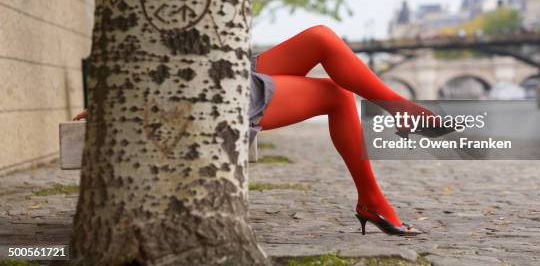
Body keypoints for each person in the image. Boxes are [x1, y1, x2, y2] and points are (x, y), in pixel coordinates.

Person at [74, 25, 440, 236]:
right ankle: (377, 185)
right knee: (337, 94)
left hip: (218, 72)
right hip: (211, 95)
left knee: (321, 37)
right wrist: (115, 104)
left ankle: (399, 115)